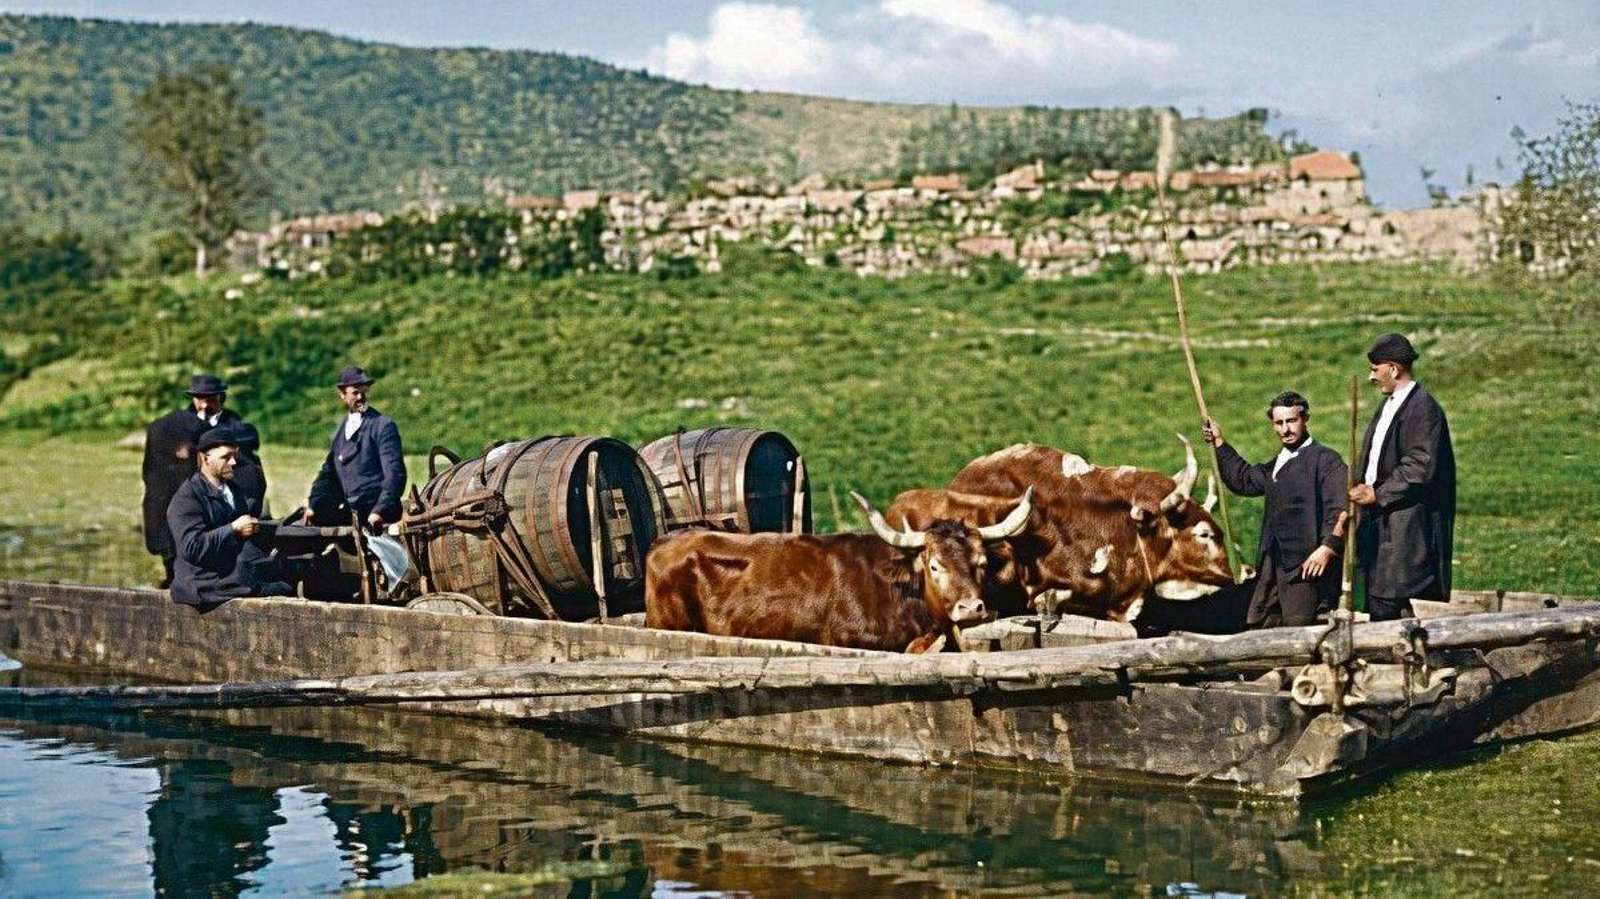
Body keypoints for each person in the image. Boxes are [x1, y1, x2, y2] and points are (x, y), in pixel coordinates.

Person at [1203, 391, 1348, 628]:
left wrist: (1327, 548)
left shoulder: (1326, 460)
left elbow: (1340, 508)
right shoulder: (1278, 463)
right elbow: (1244, 480)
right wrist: (1220, 443)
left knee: (1300, 628)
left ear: (1305, 419)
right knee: (1260, 620)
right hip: (1273, 561)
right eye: (1279, 423)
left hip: (1307, 567)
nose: (1285, 430)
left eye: (1291, 421)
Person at [1349, 333, 1456, 620]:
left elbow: (1421, 465)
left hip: (1405, 526)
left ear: (1393, 369)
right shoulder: (1390, 404)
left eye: (1375, 369)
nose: (1372, 377)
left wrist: (1377, 492)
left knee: (1392, 598)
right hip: (1379, 522)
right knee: (1380, 597)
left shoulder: (1423, 408)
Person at [165, 423, 291, 606]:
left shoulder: (232, 490)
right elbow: (191, 548)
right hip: (202, 582)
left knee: (292, 574)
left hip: (231, 571)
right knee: (283, 587)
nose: (233, 462)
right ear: (205, 459)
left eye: (235, 456)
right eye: (226, 457)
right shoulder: (187, 498)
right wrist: (233, 529)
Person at [141, 373, 240, 588]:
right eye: (199, 397)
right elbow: (151, 471)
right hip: (178, 500)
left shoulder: (232, 422)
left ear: (221, 398)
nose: (204, 403)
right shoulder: (174, 427)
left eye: (210, 397)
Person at [308, 365, 407, 530]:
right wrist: (314, 504)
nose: (361, 397)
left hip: (379, 516)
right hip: (350, 514)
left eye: (364, 391)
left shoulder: (382, 426)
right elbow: (328, 473)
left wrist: (380, 510)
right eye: (355, 392)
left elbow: (394, 473)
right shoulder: (341, 431)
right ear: (342, 394)